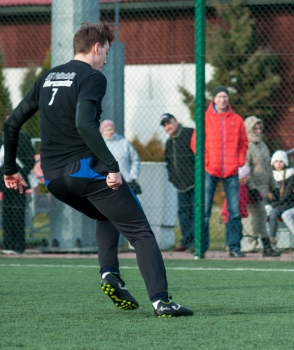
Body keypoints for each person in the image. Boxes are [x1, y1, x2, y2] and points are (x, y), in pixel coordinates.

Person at [2, 22, 192, 316]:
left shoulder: (48, 77)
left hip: (53, 178)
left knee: (106, 212)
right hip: (85, 172)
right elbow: (84, 123)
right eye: (106, 51)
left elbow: (11, 123)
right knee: (141, 232)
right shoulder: (92, 77)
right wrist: (113, 166)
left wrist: (9, 168)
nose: (106, 58)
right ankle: (161, 301)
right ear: (96, 47)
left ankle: (109, 274)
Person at [191, 86, 248, 257]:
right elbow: (196, 142)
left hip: (231, 170)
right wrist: (207, 160)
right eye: (219, 97)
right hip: (210, 169)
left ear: (228, 99)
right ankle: (201, 247)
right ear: (214, 99)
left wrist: (239, 160)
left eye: (225, 97)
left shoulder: (237, 120)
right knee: (205, 209)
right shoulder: (205, 118)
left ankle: (234, 247)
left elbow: (244, 143)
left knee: (234, 211)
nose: (222, 100)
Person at [243, 116, 280, 257]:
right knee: (258, 217)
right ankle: (265, 247)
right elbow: (245, 170)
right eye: (255, 128)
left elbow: (268, 169)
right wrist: (252, 187)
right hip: (252, 189)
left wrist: (274, 187)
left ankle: (261, 246)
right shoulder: (247, 146)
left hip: (263, 188)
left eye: (260, 128)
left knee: (259, 217)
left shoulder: (263, 146)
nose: (258, 131)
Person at [1, 113, 35, 255]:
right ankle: (7, 244)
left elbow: (29, 161)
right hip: (5, 182)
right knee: (7, 211)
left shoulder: (25, 139)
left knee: (18, 212)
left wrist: (21, 175)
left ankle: (18, 245)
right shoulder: (2, 140)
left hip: (19, 181)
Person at [161, 113, 195, 253]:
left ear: (176, 121)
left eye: (169, 123)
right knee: (183, 215)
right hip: (180, 186)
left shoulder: (190, 133)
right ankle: (186, 242)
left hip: (195, 183)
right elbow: (168, 163)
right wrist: (173, 179)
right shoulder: (169, 142)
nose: (168, 126)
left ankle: (196, 243)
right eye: (164, 125)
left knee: (196, 213)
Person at [100, 120, 141, 195]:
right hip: (106, 182)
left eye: (111, 129)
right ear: (102, 131)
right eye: (106, 130)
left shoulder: (124, 142)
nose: (109, 132)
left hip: (126, 181)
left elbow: (135, 159)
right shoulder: (99, 144)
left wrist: (132, 176)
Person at [266, 150, 294, 245]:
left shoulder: (290, 175)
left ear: (285, 163)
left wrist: (274, 203)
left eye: (281, 161)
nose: (278, 164)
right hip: (272, 203)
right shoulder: (270, 175)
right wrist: (267, 203)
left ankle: (271, 238)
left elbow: (286, 194)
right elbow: (266, 192)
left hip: (285, 204)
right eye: (276, 161)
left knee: (273, 212)